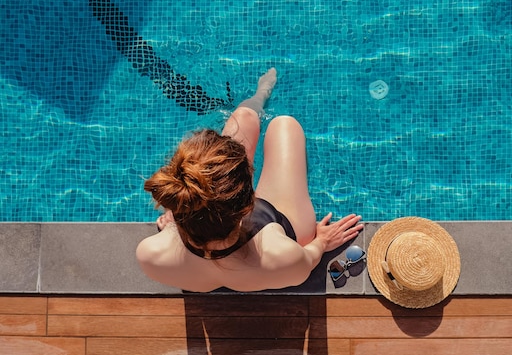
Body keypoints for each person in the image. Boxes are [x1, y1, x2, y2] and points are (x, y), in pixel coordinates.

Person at [136, 68, 364, 292]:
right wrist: (322, 242)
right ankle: (261, 94)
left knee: (242, 117)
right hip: (285, 229)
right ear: (250, 203)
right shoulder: (282, 256)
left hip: (200, 243)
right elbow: (309, 259)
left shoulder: (151, 255)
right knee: (284, 125)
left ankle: (259, 95)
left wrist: (174, 227)